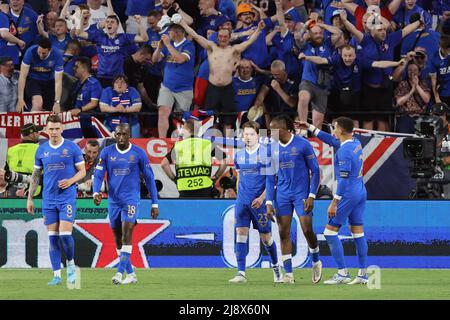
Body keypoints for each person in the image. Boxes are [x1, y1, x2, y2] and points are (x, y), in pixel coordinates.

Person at [298, 117, 368, 285]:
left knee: (330, 232)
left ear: (341, 131)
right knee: (358, 233)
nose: (333, 130)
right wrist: (310, 127)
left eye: (334, 127)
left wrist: (334, 202)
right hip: (360, 191)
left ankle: (343, 273)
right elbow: (329, 139)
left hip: (348, 194)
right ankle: (363, 274)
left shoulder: (343, 151)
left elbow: (343, 180)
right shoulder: (355, 142)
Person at [93, 123, 159, 285]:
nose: (121, 137)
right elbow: (99, 174)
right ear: (114, 135)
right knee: (117, 238)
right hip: (113, 200)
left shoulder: (139, 153)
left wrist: (154, 203)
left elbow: (149, 178)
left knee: (127, 232)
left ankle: (118, 273)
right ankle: (131, 274)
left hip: (131, 199)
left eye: (124, 134)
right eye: (118, 134)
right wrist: (96, 192)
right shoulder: (107, 152)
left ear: (130, 135)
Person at [176, 16, 265, 131]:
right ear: (217, 37)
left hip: (227, 89)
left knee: (228, 122)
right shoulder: (211, 47)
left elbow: (249, 42)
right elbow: (195, 36)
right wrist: (182, 23)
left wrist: (258, 29)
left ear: (229, 38)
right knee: (210, 121)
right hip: (212, 89)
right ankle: (212, 147)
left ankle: (227, 146)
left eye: (225, 37)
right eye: (220, 36)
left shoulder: (234, 50)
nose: (223, 39)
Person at [27, 114, 86, 286]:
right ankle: (56, 275)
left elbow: (82, 171)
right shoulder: (41, 150)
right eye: (51, 129)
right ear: (46, 130)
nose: (54, 132)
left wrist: (70, 181)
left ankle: (71, 265)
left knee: (65, 235)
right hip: (48, 199)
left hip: (67, 198)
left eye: (57, 128)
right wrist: (30, 198)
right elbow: (36, 175)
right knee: (52, 237)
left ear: (62, 129)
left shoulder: (72, 148)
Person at [268, 115, 322, 284]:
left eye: (273, 130)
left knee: (307, 229)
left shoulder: (303, 144)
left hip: (301, 194)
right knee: (283, 232)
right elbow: (270, 177)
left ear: (283, 129)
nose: (270, 134)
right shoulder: (271, 148)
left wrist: (312, 195)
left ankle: (316, 260)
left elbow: (316, 171)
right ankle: (289, 274)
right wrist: (269, 202)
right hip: (282, 195)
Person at [228, 121, 282, 283]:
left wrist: (262, 198)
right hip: (242, 202)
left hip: (259, 203)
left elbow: (271, 181)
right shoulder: (238, 155)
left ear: (258, 135)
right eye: (246, 134)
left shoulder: (266, 154)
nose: (248, 137)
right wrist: (238, 195)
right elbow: (239, 177)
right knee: (241, 234)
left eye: (252, 134)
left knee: (266, 237)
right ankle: (241, 273)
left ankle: (276, 267)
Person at [75, 14, 148, 87]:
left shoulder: (124, 37)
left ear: (117, 25)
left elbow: (144, 38)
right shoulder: (99, 36)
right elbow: (79, 33)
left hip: (117, 78)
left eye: (112, 22)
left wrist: (140, 23)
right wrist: (81, 18)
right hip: (101, 77)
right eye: (107, 22)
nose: (109, 23)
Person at [161, 119, 227, 198]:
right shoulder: (207, 144)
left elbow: (164, 164)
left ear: (188, 130)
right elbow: (224, 161)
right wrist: (216, 177)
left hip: (184, 189)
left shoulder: (178, 145)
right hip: (205, 189)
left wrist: (175, 179)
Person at [151, 22, 195, 138]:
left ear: (177, 32)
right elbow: (154, 59)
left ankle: (182, 140)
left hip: (184, 89)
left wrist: (168, 45)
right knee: (162, 112)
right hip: (167, 87)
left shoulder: (188, 45)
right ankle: (162, 141)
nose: (167, 33)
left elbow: (180, 59)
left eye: (169, 31)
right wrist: (159, 48)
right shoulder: (167, 45)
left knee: (181, 117)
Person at [15, 37, 64, 113]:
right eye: (39, 52)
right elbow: (22, 77)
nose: (41, 55)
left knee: (52, 109)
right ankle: (31, 125)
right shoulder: (30, 51)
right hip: (34, 80)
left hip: (50, 81)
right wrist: (20, 99)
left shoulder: (57, 55)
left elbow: (58, 81)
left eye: (44, 53)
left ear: (50, 50)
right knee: (37, 104)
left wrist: (57, 103)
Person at [0, 123, 41, 198]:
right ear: (32, 135)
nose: (38, 134)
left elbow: (6, 172)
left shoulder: (11, 149)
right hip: (33, 190)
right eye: (37, 132)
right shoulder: (40, 149)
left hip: (13, 190)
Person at [394, 61, 431, 133]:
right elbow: (399, 102)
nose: (412, 72)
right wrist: (412, 90)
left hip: (420, 117)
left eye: (415, 70)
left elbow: (427, 99)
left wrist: (417, 85)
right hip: (405, 117)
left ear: (419, 72)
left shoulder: (423, 84)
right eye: (409, 70)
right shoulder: (402, 84)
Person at [71, 56, 103, 138]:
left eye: (76, 67)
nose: (74, 69)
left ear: (84, 68)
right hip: (76, 121)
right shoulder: (77, 83)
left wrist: (80, 110)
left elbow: (93, 103)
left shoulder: (94, 83)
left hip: (88, 122)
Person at [430, 36, 450, 107]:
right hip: (442, 93)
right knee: (442, 117)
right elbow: (433, 80)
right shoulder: (434, 59)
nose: (448, 52)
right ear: (440, 46)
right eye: (447, 49)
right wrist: (437, 98)